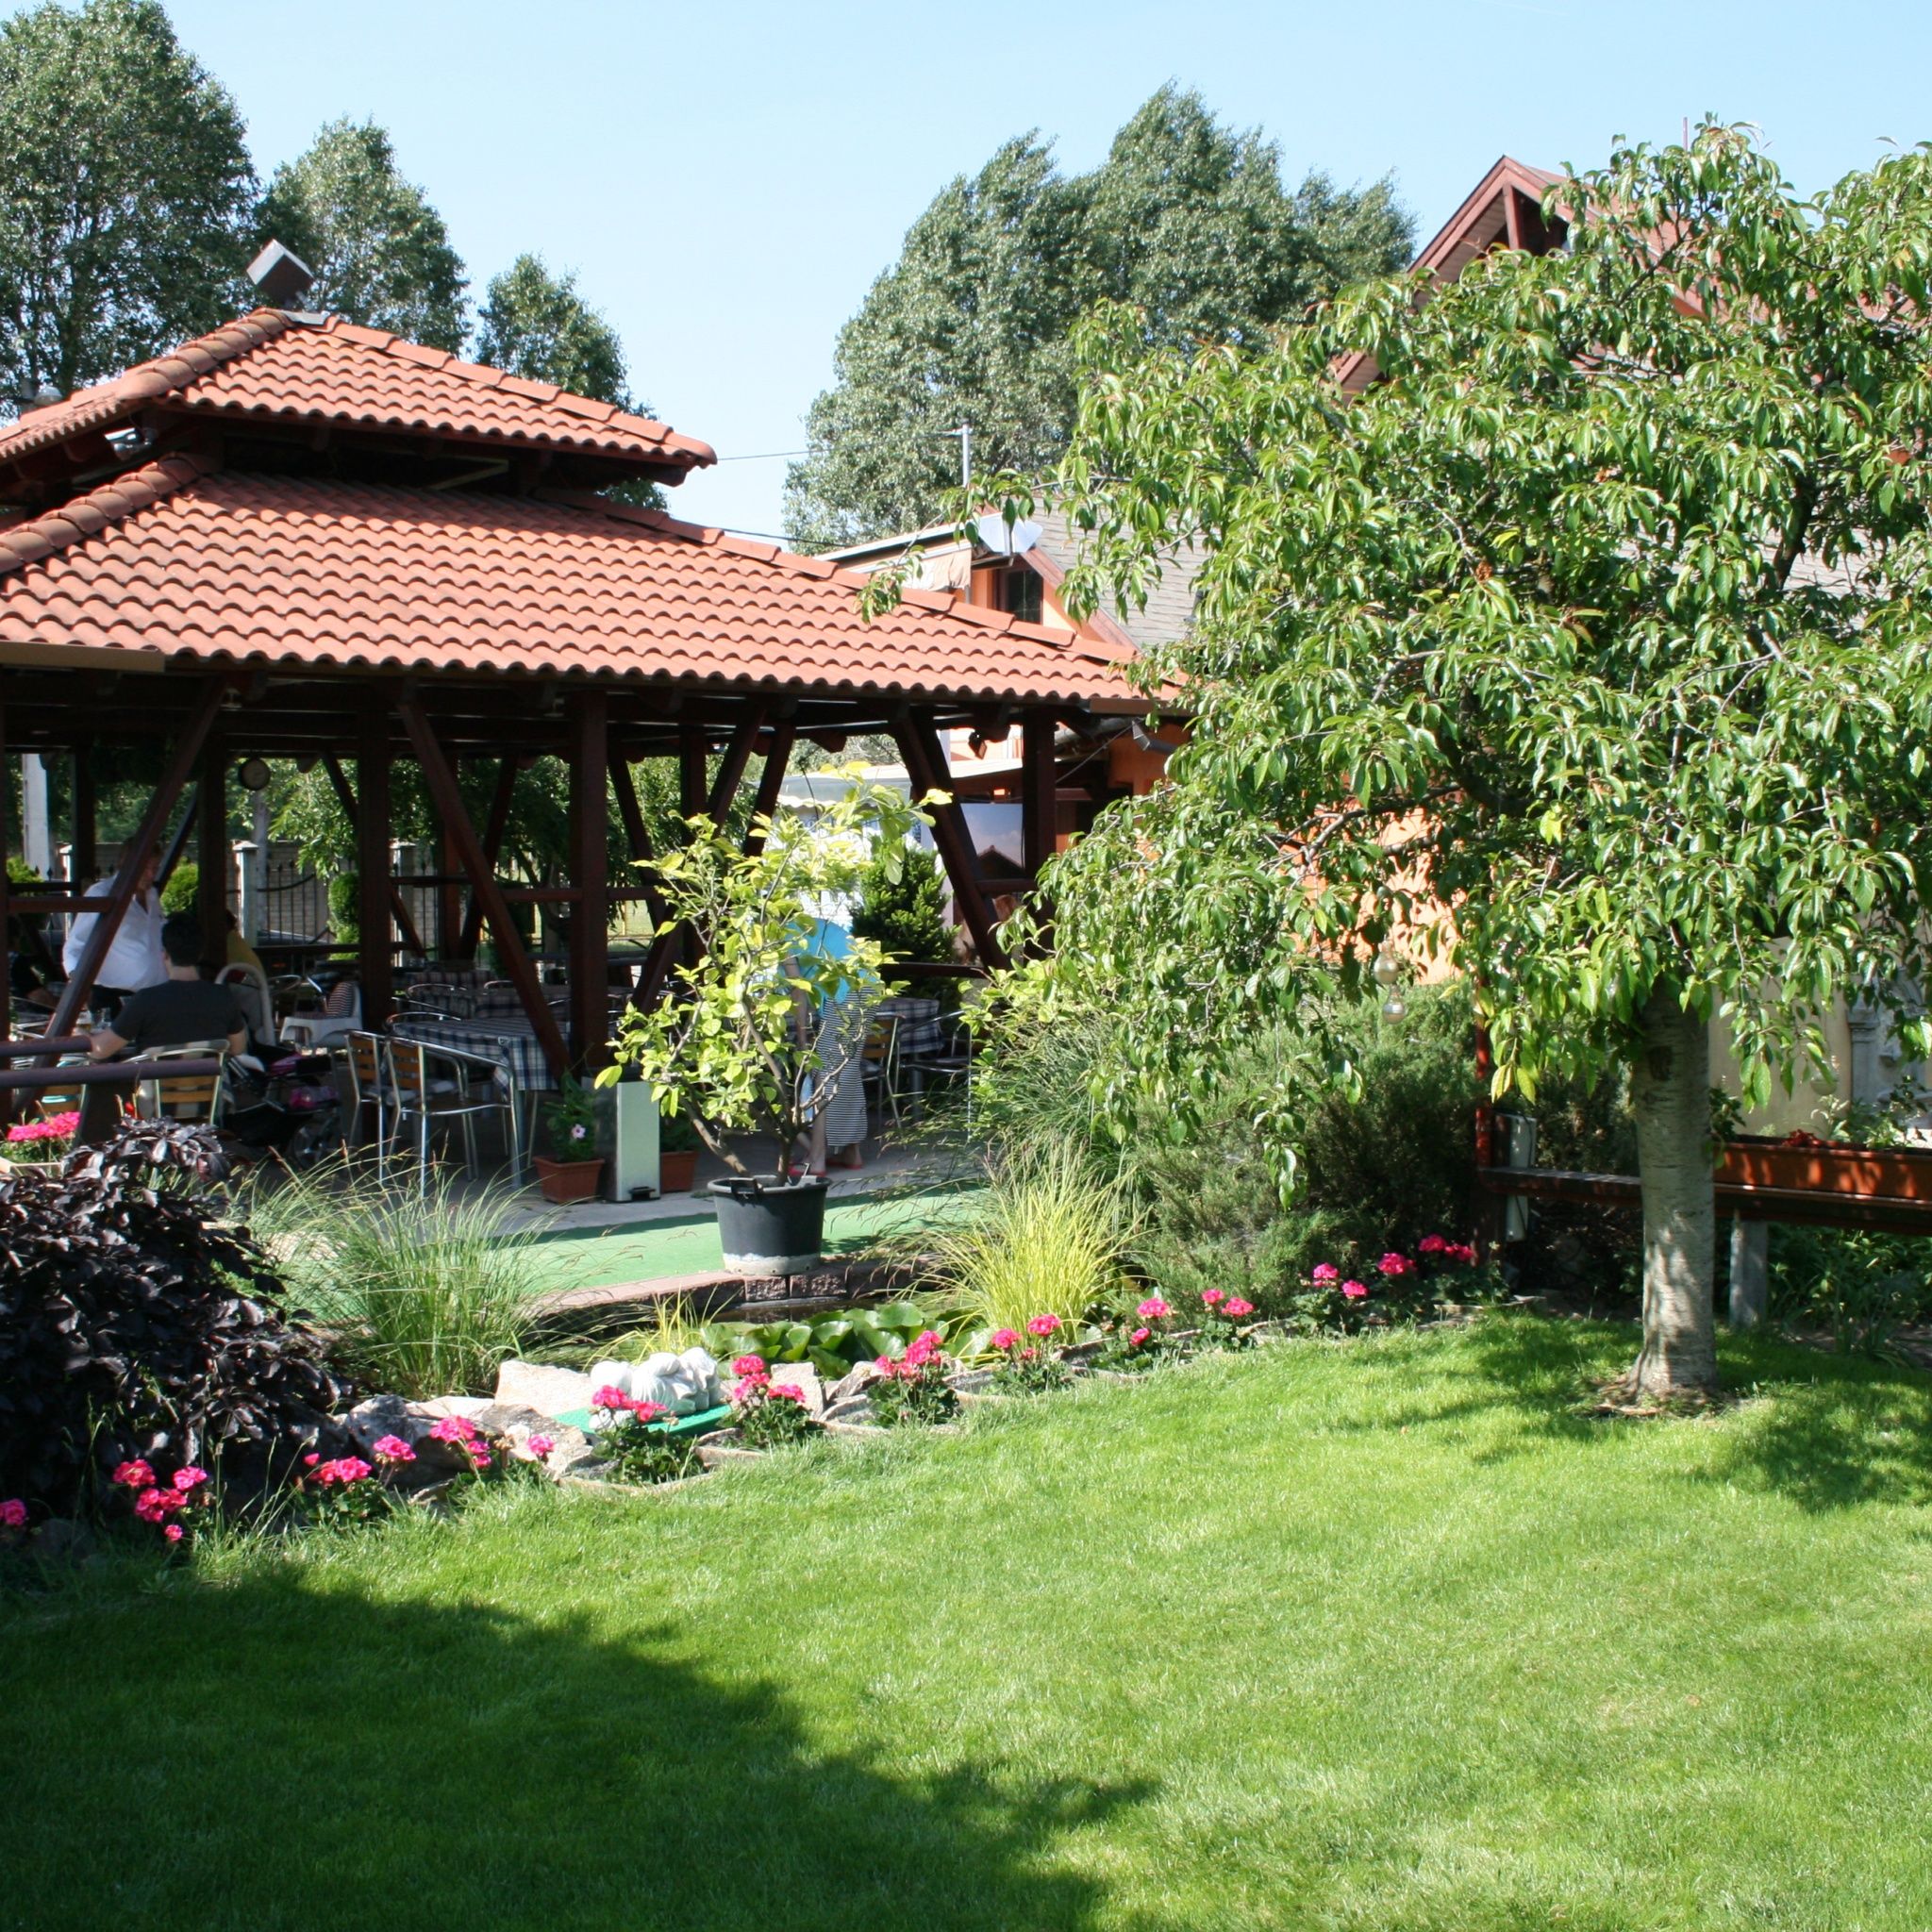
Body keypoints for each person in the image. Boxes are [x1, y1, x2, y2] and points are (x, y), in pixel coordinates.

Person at [88, 915, 246, 1061]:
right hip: (209, 1082)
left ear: (164, 954)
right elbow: (238, 1048)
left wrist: (83, 1035)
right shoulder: (223, 996)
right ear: (200, 954)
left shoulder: (145, 1000)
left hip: (155, 1083)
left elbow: (100, 1051)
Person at [62, 851, 166, 1021]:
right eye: (145, 868)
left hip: (153, 995)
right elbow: (76, 944)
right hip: (113, 997)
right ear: (126, 865)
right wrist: (79, 984)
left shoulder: (151, 894)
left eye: (155, 868)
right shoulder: (102, 893)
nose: (151, 875)